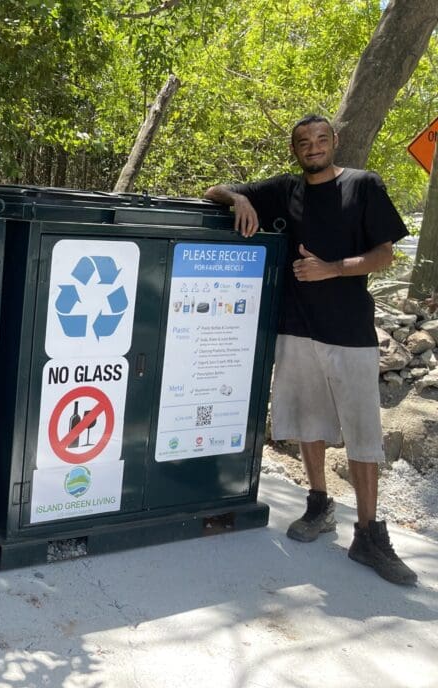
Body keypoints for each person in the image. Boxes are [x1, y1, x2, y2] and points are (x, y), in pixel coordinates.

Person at [204, 114, 416, 586]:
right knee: (307, 423)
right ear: (295, 149)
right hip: (296, 328)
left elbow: (385, 254)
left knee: (363, 432)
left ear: (335, 142)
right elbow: (214, 190)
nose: (313, 147)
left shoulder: (363, 186)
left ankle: (368, 533)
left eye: (321, 139)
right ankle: (319, 505)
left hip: (349, 331)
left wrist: (332, 268)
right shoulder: (285, 189)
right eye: (304, 142)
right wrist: (238, 197)